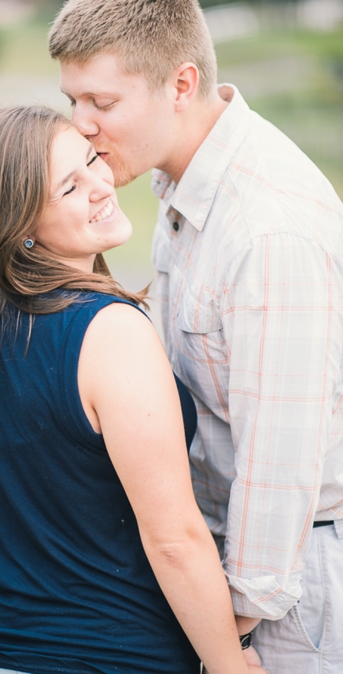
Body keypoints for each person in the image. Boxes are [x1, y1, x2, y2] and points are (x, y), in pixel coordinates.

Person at [49, 1, 343, 671]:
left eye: (101, 101)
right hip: (222, 571)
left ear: (180, 86)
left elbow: (280, 467)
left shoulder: (268, 231)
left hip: (284, 598)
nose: (82, 129)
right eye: (73, 100)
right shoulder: (179, 180)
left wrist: (226, 639)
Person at [0, 105, 267, 673]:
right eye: (69, 186)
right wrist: (229, 665)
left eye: (91, 160)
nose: (101, 185)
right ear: (18, 227)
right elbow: (173, 538)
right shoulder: (109, 330)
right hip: (109, 652)